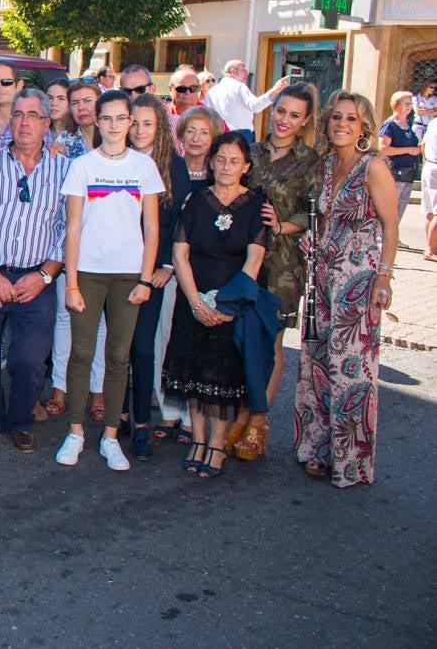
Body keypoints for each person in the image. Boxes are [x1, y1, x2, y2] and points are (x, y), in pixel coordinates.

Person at [295, 91, 398, 487]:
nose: (341, 124)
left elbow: (390, 225)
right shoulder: (325, 166)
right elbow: (323, 218)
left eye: (351, 119)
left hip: (359, 278)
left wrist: (384, 278)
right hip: (323, 275)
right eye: (336, 117)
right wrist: (310, 238)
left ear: (364, 126)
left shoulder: (373, 166)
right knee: (318, 362)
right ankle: (317, 450)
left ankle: (350, 461)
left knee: (351, 369)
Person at [57, 89, 162, 470]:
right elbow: (71, 227)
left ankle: (111, 437)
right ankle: (75, 432)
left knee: (119, 357)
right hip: (87, 272)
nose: (114, 125)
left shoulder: (144, 167)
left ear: (130, 122)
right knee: (81, 353)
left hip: (128, 275)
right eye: (107, 118)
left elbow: (152, 228)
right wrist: (71, 283)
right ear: (96, 122)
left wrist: (145, 280)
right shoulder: (81, 166)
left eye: (121, 118)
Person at [0, 89, 67, 453]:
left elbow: (70, 230)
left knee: (29, 359)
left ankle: (21, 420)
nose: (23, 122)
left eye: (32, 115)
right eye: (18, 115)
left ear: (46, 123)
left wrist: (45, 275)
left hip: (38, 278)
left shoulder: (65, 170)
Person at [163, 132, 270, 480]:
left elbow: (255, 258)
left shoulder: (257, 203)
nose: (225, 166)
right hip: (193, 297)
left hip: (233, 300)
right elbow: (180, 252)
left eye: (234, 161)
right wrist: (195, 301)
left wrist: (228, 304)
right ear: (211, 162)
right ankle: (197, 439)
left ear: (246, 166)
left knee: (222, 376)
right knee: (194, 372)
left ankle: (217, 443)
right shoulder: (196, 200)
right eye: (220, 159)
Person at [231, 84, 320, 461]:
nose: (284, 120)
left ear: (305, 122)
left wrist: (283, 225)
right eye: (281, 111)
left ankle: (257, 423)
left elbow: (313, 211)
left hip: (282, 264)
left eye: (294, 115)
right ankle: (235, 416)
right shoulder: (250, 151)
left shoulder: (310, 161)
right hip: (239, 259)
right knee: (237, 338)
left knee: (270, 343)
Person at [123, 94, 190, 460]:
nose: (139, 130)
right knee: (117, 347)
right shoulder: (114, 160)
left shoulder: (173, 167)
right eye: (134, 122)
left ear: (160, 127)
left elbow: (179, 221)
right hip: (116, 268)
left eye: (148, 123)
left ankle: (143, 425)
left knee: (143, 347)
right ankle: (119, 418)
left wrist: (166, 264)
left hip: (154, 272)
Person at [44, 78, 104, 422]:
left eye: (88, 101)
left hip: (107, 244)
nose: (82, 108)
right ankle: (60, 389)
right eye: (76, 101)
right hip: (68, 241)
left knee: (102, 324)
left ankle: (98, 393)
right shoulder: (61, 143)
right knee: (64, 319)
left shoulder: (114, 143)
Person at [204, 59, 288, 143]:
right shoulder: (239, 87)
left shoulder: (211, 92)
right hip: (241, 136)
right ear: (233, 72)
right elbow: (255, 106)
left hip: (219, 135)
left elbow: (208, 116)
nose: (247, 72)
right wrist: (275, 90)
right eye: (243, 69)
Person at [379, 90, 422, 221]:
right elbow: (383, 148)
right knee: (389, 207)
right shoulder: (389, 125)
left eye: (410, 104)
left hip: (408, 172)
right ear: (396, 105)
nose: (409, 107)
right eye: (406, 103)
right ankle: (382, 237)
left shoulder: (409, 124)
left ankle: (394, 235)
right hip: (394, 172)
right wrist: (407, 150)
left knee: (400, 207)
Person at [176, 105, 225, 195]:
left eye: (204, 133)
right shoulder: (167, 170)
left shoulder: (221, 174)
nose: (195, 139)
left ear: (213, 139)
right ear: (182, 135)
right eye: (190, 131)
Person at [165, 65, 203, 152]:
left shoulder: (211, 116)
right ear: (170, 90)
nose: (188, 92)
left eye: (193, 88)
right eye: (182, 88)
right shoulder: (160, 114)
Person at [424, 118, 437, 262]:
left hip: (429, 165)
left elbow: (423, 144)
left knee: (429, 211)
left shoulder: (433, 122)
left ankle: (429, 246)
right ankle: (431, 249)